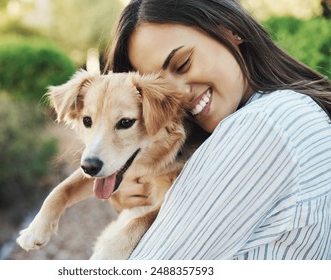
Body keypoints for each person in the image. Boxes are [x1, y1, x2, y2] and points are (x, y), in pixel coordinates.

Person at [105, 0, 331, 259]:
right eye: (159, 93)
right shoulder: (294, 110)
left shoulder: (265, 125)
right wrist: (143, 205)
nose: (177, 98)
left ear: (230, 30)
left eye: (182, 64)